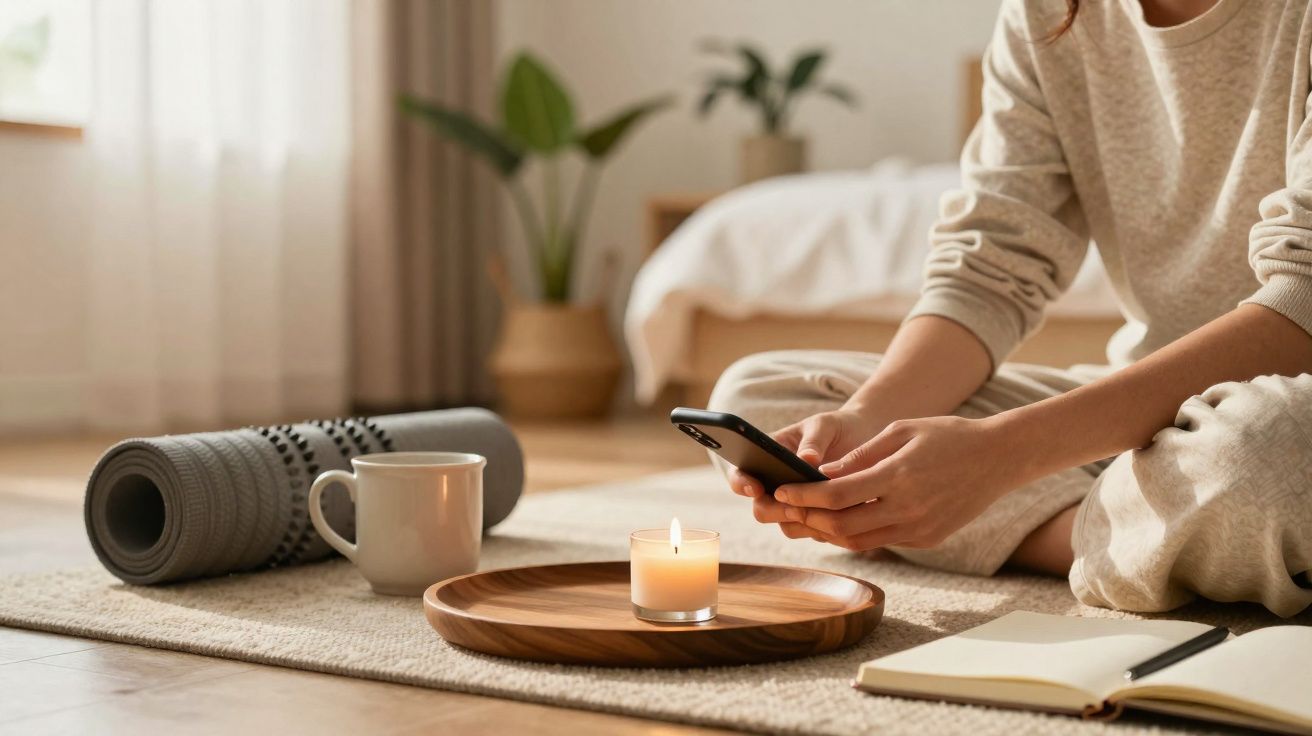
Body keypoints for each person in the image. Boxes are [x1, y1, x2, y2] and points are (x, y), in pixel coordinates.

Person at [710, 0, 1312, 617]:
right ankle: (1154, 533)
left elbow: (1304, 299)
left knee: (1266, 456)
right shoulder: (1049, 12)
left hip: (1280, 411)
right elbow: (991, 267)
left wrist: (1003, 456)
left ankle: (1088, 529)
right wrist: (867, 424)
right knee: (758, 395)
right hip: (1139, 415)